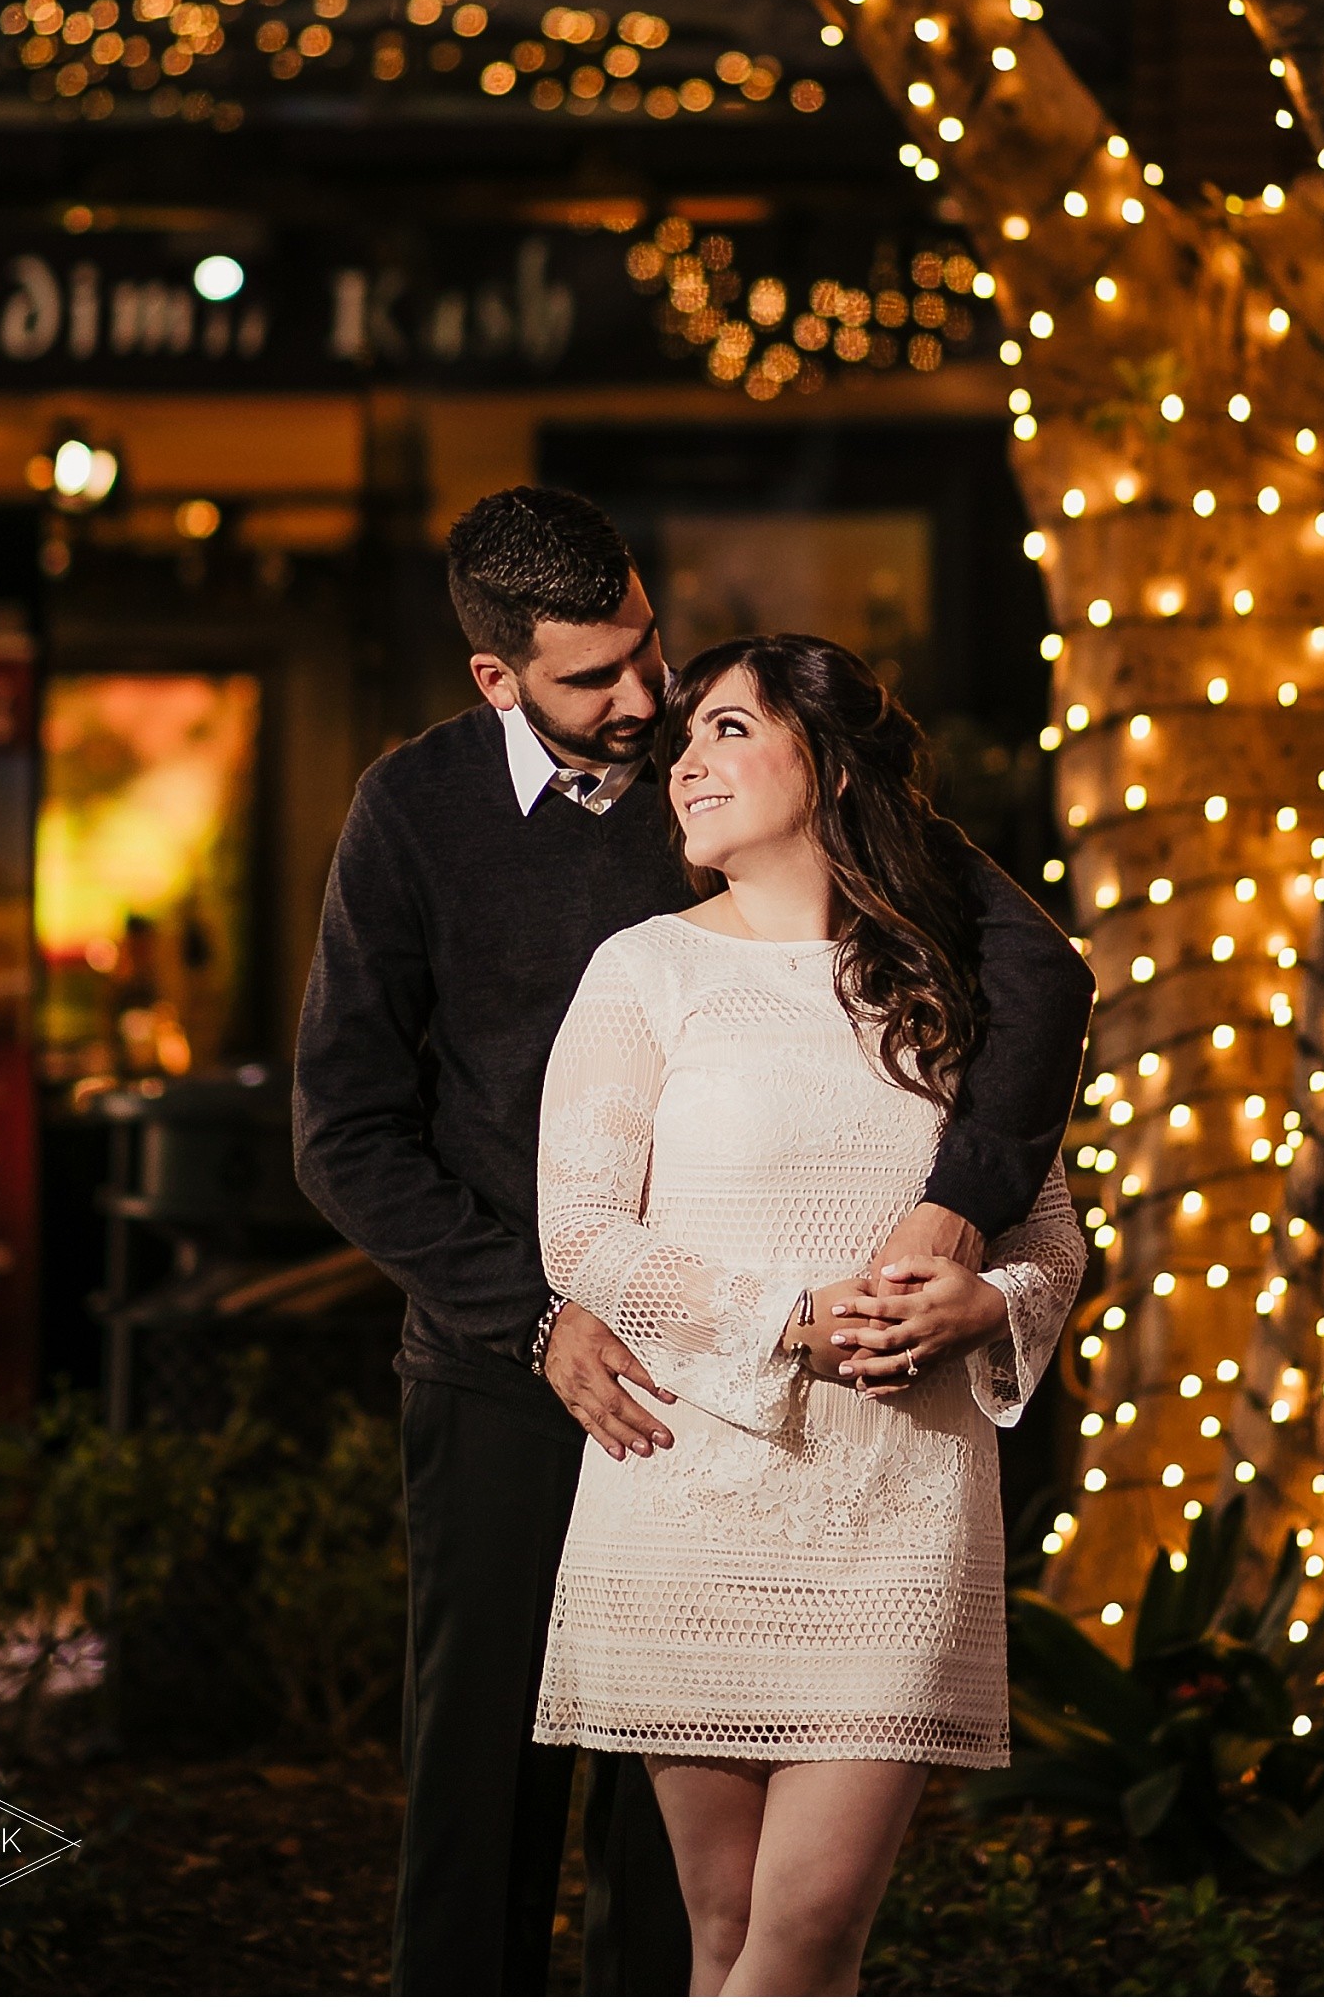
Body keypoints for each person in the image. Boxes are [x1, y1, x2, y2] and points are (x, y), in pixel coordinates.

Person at [291, 487, 1092, 1998]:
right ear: (497, 679)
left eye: (648, 651)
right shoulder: (417, 811)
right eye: (595, 679)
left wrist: (959, 1211)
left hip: (734, 1398)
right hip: (501, 1363)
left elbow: (1033, 972)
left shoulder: (728, 766)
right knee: (480, 1797)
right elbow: (344, 1129)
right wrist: (537, 1314)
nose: (644, 702)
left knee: (682, 1893)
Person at [532, 634, 1086, 1998]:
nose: (687, 763)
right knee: (722, 1941)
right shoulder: (643, 972)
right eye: (686, 742)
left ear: (828, 765)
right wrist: (790, 1318)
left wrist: (988, 1302)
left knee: (808, 1935)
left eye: (727, 729)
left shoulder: (953, 985)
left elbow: (1054, 1237)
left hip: (900, 1511)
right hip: (686, 1489)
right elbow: (585, 1232)